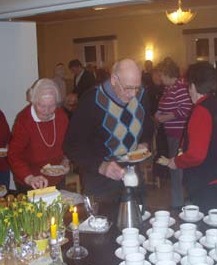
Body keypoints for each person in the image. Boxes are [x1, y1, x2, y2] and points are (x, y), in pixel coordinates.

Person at [167, 62, 217, 221]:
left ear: (192, 86)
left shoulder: (201, 110)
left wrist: (176, 162)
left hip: (214, 184)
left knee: (210, 232)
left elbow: (196, 155)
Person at [64, 58, 153, 202]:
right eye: (128, 88)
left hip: (132, 174)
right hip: (100, 181)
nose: (133, 94)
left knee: (138, 220)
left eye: (137, 87)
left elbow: (148, 126)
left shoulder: (142, 95)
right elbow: (72, 145)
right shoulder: (92, 100)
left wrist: (144, 143)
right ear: (113, 80)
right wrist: (101, 166)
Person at [8, 78, 69, 191]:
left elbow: (68, 143)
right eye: (42, 106)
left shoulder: (61, 116)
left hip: (57, 178)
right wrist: (30, 178)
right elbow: (13, 154)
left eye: (52, 106)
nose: (47, 111)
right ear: (33, 101)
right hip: (31, 181)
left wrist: (66, 159)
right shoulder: (24, 120)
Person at [155, 58, 192, 210]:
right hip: (171, 134)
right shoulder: (169, 89)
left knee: (177, 169)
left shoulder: (180, 87)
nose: (160, 78)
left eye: (161, 75)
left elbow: (186, 109)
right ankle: (179, 201)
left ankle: (179, 204)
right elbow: (164, 106)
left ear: (168, 73)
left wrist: (164, 117)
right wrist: (158, 113)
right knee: (175, 169)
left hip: (179, 134)